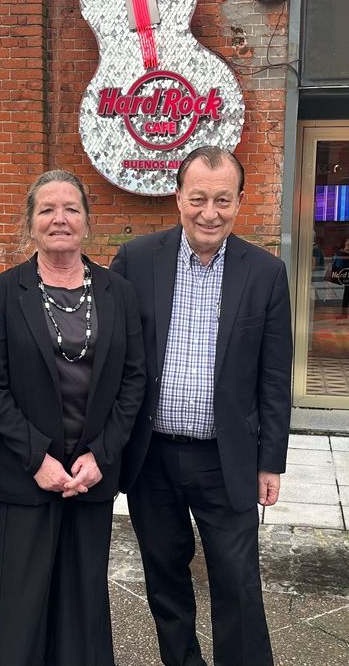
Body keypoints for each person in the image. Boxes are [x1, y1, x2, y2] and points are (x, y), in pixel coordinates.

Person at [110, 146, 293, 666]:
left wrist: (270, 461)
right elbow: (115, 359)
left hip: (226, 458)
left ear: (240, 201)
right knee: (164, 575)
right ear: (178, 198)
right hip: (153, 457)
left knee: (237, 581)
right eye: (198, 199)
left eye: (221, 200)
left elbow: (275, 377)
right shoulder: (136, 260)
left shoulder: (265, 274)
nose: (209, 212)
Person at [0, 169, 146, 666]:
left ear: (88, 223)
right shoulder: (4, 293)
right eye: (47, 209)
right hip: (25, 477)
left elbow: (134, 381)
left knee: (83, 604)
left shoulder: (119, 292)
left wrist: (102, 454)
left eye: (71, 208)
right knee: (20, 609)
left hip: (91, 476)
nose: (59, 219)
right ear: (31, 224)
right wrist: (37, 458)